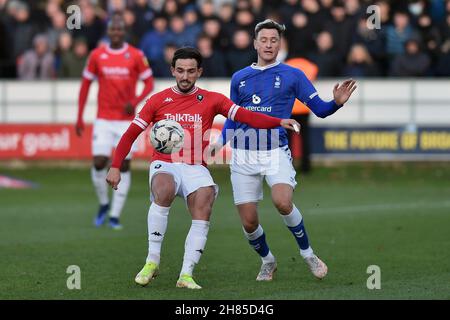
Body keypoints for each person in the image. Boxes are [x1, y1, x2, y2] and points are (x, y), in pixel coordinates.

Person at [105, 47, 301, 289]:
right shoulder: (157, 100)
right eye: (180, 71)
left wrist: (278, 121)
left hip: (196, 166)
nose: (185, 76)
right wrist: (115, 166)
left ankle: (186, 274)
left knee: (205, 200)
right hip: (165, 163)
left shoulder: (212, 99)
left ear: (199, 71)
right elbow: (130, 134)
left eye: (190, 71)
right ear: (172, 71)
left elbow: (245, 116)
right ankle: (152, 260)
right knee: (163, 189)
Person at [212, 19, 356, 282]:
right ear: (255, 43)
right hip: (243, 155)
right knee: (249, 223)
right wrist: (221, 142)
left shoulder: (293, 75)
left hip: (274, 150)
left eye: (274, 40)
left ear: (280, 44)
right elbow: (233, 117)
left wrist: (335, 103)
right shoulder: (240, 77)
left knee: (282, 201)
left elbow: (321, 110)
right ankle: (267, 260)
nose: (268, 44)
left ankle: (308, 254)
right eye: (264, 40)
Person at [76, 14, 154, 229]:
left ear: (124, 32)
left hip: (126, 122)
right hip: (103, 119)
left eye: (120, 29)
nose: (117, 33)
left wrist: (135, 101)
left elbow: (149, 83)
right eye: (113, 30)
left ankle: (114, 215)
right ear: (108, 32)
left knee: (124, 165)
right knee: (100, 161)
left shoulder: (136, 55)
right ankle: (103, 203)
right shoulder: (97, 55)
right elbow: (85, 86)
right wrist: (79, 116)